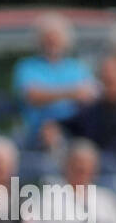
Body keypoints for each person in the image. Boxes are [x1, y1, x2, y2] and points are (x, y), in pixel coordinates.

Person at [12, 14, 96, 148]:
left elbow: (90, 95)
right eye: (48, 38)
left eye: (56, 38)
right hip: (37, 131)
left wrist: (49, 95)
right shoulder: (27, 67)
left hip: (76, 129)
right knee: (50, 132)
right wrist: (71, 93)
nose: (52, 42)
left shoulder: (77, 67)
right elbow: (32, 95)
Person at [24, 139, 116, 223]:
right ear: (66, 167)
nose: (82, 172)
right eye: (78, 168)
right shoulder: (48, 200)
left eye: (87, 169)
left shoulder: (108, 200)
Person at [41, 56, 116, 157]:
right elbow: (71, 125)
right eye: (105, 80)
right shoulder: (93, 109)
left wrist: (91, 157)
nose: (108, 85)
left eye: (113, 81)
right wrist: (54, 127)